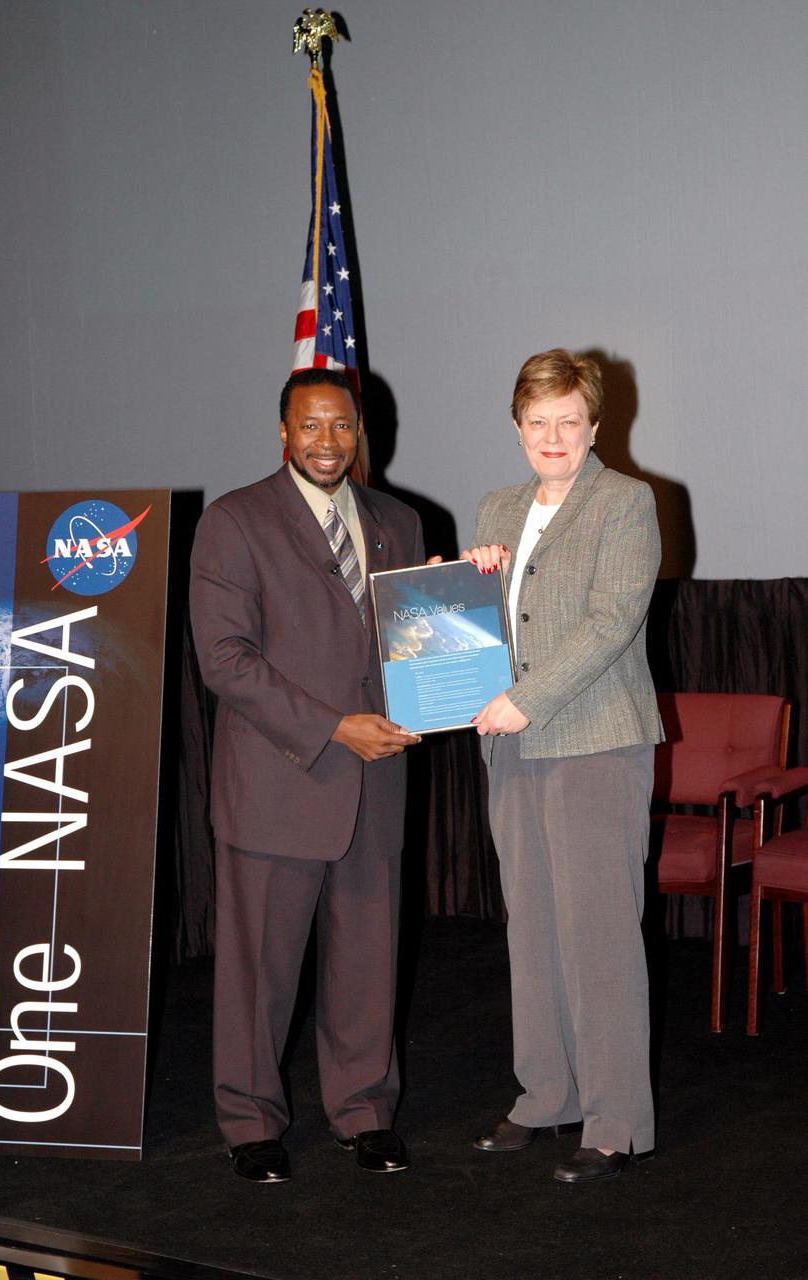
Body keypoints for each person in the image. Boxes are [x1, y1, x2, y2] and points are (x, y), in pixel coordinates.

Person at [190, 368, 424, 1183]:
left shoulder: (398, 521)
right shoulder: (235, 521)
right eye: (311, 426)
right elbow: (225, 658)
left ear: (361, 432)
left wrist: (447, 648)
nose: (328, 442)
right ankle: (250, 1122)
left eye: (342, 426)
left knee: (367, 966)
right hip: (279, 783)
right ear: (284, 434)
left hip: (375, 783)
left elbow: (411, 643)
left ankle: (364, 1113)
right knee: (259, 973)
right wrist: (332, 727)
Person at [463, 348, 662, 1184]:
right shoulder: (497, 507)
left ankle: (614, 1121)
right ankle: (547, 1095)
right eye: (537, 421)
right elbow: (483, 625)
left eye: (568, 421)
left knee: (597, 935)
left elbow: (610, 622)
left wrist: (526, 698)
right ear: (517, 427)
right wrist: (456, 590)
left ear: (593, 426)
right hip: (511, 744)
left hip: (594, 742)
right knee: (534, 927)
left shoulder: (625, 503)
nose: (553, 436)